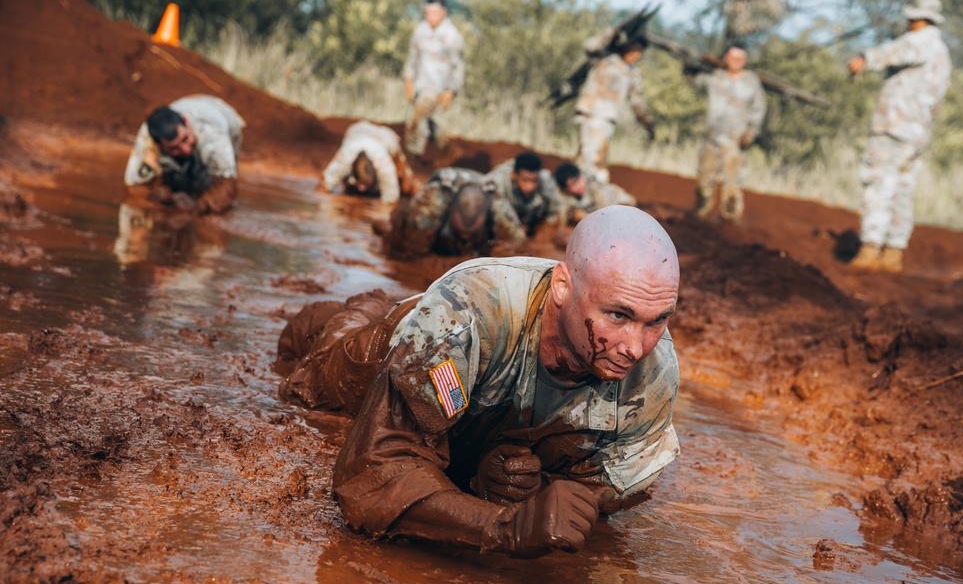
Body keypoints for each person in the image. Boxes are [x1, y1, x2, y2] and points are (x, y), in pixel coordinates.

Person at [277, 206, 681, 558]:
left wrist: (528, 484)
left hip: (479, 400)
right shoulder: (468, 312)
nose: (636, 347)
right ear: (562, 286)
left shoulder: (654, 378)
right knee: (309, 381)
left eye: (657, 320)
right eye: (618, 315)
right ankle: (363, 310)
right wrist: (506, 527)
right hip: (399, 345)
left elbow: (600, 492)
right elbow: (368, 480)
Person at [847, 0, 952, 273]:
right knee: (903, 190)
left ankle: (870, 248)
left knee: (879, 184)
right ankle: (893, 252)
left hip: (893, 126)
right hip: (917, 133)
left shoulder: (920, 41)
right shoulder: (943, 52)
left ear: (918, 18)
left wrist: (863, 59)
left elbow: (892, 52)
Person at [124, 95, 245, 214]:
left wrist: (199, 205)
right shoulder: (147, 140)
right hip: (187, 108)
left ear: (186, 122)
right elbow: (133, 186)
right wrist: (155, 195)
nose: (185, 149)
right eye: (174, 148)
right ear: (158, 145)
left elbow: (226, 186)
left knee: (212, 185)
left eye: (185, 139)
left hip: (223, 117)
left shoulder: (212, 136)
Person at [688, 44, 766, 224]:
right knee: (705, 179)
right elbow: (694, 79)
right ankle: (700, 215)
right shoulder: (715, 77)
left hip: (735, 140)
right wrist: (695, 62)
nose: (736, 61)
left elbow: (759, 109)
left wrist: (752, 132)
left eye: (741, 58)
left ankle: (729, 220)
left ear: (745, 61)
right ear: (725, 58)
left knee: (732, 183)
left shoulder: (751, 82)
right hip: (711, 136)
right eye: (733, 57)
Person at [373, 167, 525, 258]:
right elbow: (412, 256)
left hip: (479, 239)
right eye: (461, 232)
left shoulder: (499, 208)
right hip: (433, 232)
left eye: (469, 233)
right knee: (390, 232)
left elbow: (517, 248)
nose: (465, 237)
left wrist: (500, 253)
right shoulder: (432, 203)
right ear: (451, 209)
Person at [574, 37, 654, 183]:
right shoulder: (605, 59)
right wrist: (613, 33)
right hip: (592, 114)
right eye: (635, 49)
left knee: (589, 158)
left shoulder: (632, 72)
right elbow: (590, 46)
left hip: (607, 119)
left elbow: (637, 100)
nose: (637, 55)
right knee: (593, 160)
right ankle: (591, 197)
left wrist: (647, 121)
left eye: (640, 51)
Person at [403, 0, 466, 158]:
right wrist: (408, 79)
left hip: (437, 86)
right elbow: (413, 56)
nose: (430, 16)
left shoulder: (452, 35)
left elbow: (458, 66)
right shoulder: (420, 30)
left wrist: (451, 91)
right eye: (427, 12)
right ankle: (445, 145)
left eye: (434, 13)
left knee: (417, 117)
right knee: (423, 117)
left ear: (443, 13)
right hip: (419, 84)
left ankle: (413, 155)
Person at [322, 120, 415, 204]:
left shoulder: (384, 165)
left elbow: (391, 198)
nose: (362, 189)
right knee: (349, 188)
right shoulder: (344, 157)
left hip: (386, 137)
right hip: (358, 130)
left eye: (365, 184)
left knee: (405, 186)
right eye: (359, 183)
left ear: (376, 170)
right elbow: (324, 186)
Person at [484, 151, 565, 234]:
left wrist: (550, 226)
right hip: (506, 219)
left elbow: (558, 207)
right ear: (514, 175)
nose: (530, 187)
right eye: (525, 180)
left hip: (531, 219)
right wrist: (517, 230)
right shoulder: (497, 181)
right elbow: (501, 214)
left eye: (534, 181)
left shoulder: (544, 178)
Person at [553, 162, 636, 224]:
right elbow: (563, 220)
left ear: (582, 176)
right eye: (571, 186)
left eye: (577, 181)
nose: (577, 187)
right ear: (566, 189)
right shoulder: (567, 196)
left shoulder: (597, 191)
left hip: (619, 200)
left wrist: (584, 216)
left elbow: (608, 218)